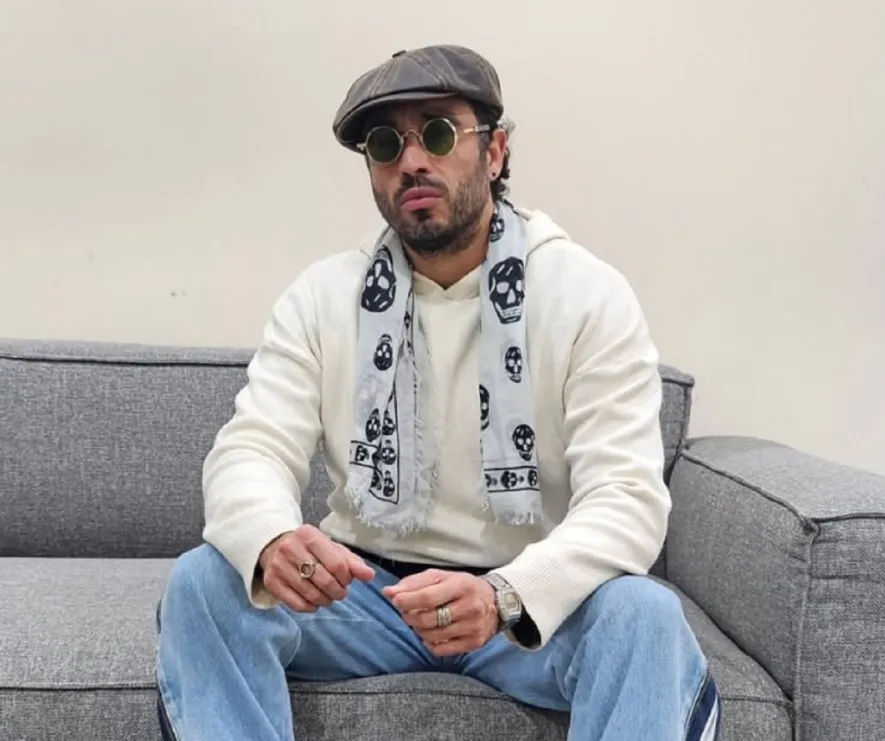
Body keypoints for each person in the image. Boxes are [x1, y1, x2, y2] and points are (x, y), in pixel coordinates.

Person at [154, 44, 722, 741]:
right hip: (367, 598)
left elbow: (627, 497)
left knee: (645, 614)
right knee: (206, 582)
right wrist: (272, 538)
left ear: (495, 151)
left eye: (439, 132)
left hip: (522, 607)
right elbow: (253, 448)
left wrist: (505, 593)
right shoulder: (323, 297)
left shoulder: (587, 295)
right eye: (386, 144)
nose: (412, 161)